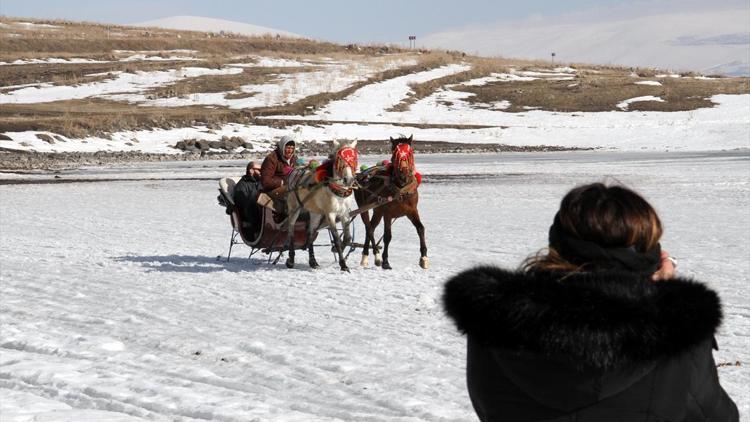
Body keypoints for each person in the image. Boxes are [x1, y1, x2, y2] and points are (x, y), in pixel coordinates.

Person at [443, 182, 738, 421]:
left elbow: (489, 404)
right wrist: (666, 302)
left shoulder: (494, 320)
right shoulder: (676, 336)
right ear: (651, 256)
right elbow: (716, 415)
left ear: (556, 247)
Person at [260, 135, 298, 217]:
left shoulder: (294, 158)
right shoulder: (271, 159)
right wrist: (283, 182)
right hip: (272, 190)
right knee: (291, 192)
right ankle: (288, 219)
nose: (290, 151)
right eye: (287, 148)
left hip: (289, 186)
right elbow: (265, 182)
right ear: (282, 147)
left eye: (292, 148)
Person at [233, 161, 262, 236]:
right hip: (252, 216)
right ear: (251, 170)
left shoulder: (261, 182)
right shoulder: (241, 186)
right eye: (259, 170)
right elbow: (244, 204)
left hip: (264, 211)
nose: (261, 172)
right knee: (252, 203)